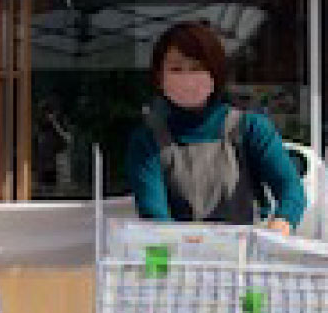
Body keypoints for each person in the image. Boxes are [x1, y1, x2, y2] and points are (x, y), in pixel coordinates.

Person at [127, 21, 306, 234]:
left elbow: (291, 190)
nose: (187, 78)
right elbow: (154, 216)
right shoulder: (147, 141)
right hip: (182, 256)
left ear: (216, 72)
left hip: (246, 254)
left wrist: (281, 224)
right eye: (176, 69)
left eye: (197, 68)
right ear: (159, 77)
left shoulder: (251, 128)